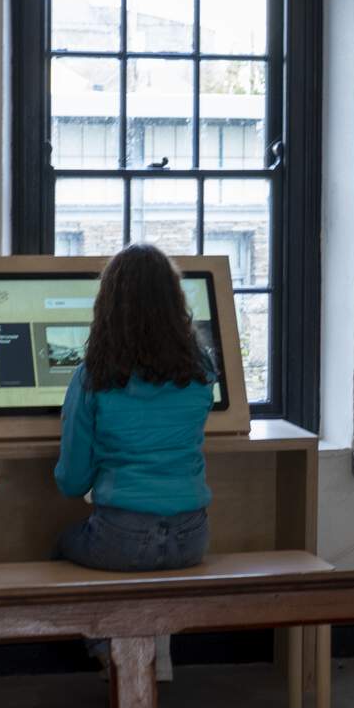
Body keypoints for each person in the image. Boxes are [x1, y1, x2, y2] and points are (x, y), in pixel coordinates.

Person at [54, 244, 217, 682]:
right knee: (154, 562)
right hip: (192, 537)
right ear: (175, 303)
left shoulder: (93, 376)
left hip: (121, 538)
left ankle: (113, 650)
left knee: (63, 548)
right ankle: (154, 650)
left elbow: (71, 481)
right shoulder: (201, 372)